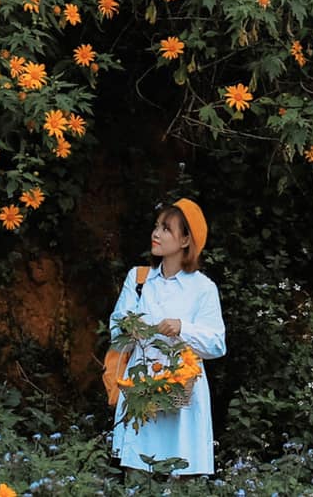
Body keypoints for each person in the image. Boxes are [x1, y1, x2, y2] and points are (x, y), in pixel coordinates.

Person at [107, 198, 225, 479]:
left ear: (186, 240)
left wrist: (182, 327)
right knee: (137, 476)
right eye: (156, 226)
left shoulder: (203, 289)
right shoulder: (138, 279)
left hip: (181, 399)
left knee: (180, 477)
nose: (156, 234)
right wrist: (130, 329)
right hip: (139, 391)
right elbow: (116, 331)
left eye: (166, 229)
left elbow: (217, 343)